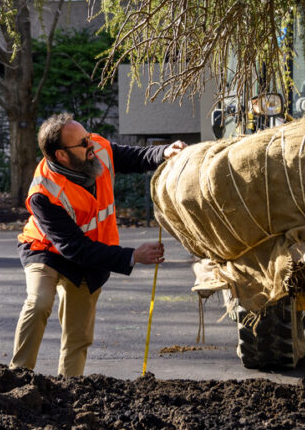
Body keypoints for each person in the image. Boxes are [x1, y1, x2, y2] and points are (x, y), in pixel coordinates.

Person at [10, 113, 187, 376]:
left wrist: (164, 152)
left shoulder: (97, 150)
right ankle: (16, 376)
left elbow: (133, 157)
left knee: (78, 333)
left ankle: (70, 388)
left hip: (92, 258)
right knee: (39, 303)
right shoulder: (43, 193)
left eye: (88, 137)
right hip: (45, 251)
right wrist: (133, 256)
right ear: (61, 156)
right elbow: (74, 248)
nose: (91, 145)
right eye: (83, 143)